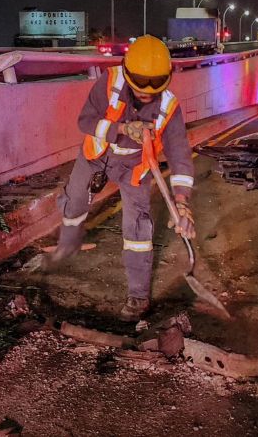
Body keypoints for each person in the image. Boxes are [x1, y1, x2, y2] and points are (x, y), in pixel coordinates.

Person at [47, 35, 196, 321]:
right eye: (142, 81)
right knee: (74, 203)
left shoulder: (170, 107)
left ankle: (138, 297)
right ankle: (69, 242)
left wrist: (182, 202)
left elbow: (179, 156)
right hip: (96, 157)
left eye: (155, 83)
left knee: (138, 230)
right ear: (128, 72)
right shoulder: (109, 83)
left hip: (134, 169)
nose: (148, 90)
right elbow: (85, 121)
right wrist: (124, 129)